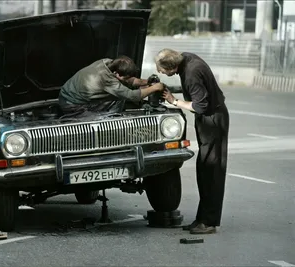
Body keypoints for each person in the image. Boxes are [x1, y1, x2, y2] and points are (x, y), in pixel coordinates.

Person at [154, 48, 230, 234]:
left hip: (212, 120)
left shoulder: (191, 74)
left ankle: (209, 222)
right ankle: (201, 219)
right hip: (210, 119)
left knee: (211, 171)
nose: (161, 72)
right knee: (204, 170)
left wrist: (174, 101)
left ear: (172, 67)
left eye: (163, 70)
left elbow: (200, 106)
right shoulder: (186, 58)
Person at [58, 55, 164, 115]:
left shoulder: (108, 62)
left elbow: (127, 80)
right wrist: (155, 87)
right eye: (126, 76)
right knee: (100, 122)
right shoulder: (105, 78)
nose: (127, 79)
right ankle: (112, 119)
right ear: (116, 74)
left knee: (120, 91)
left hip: (71, 94)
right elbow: (131, 96)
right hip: (72, 104)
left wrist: (147, 82)